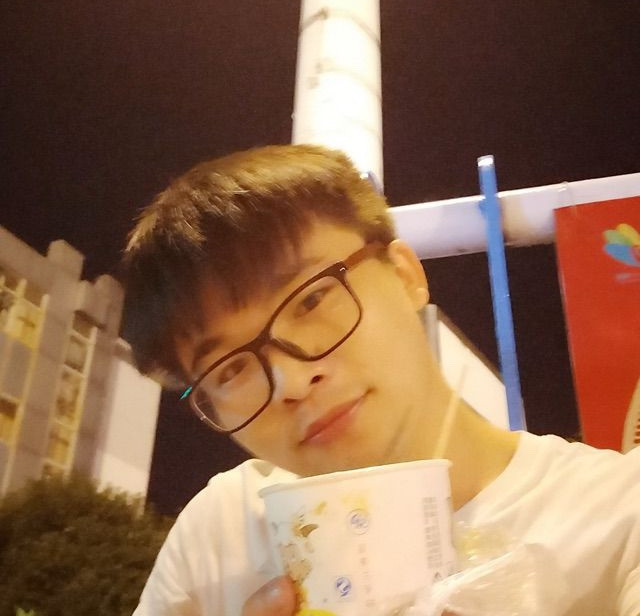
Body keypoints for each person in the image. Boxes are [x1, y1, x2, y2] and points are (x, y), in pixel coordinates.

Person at [121, 144, 640, 616]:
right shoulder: (220, 537)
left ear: (406, 274)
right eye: (230, 368)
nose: (291, 382)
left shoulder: (616, 514)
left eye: (311, 300)